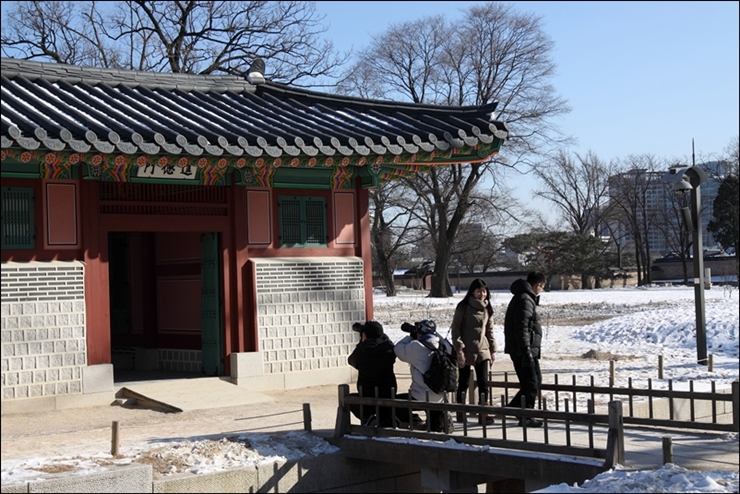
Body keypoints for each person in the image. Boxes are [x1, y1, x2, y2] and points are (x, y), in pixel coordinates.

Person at [394, 320, 455, 433]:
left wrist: (410, 336)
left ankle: (414, 421)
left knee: (395, 402)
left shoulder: (416, 346)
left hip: (420, 395)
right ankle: (441, 418)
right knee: (434, 427)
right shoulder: (444, 345)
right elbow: (443, 341)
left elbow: (398, 349)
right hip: (440, 395)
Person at [451, 278, 497, 425]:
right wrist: (459, 348)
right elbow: (455, 328)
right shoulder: (463, 307)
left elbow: (489, 331)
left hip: (482, 349)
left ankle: (484, 413)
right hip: (466, 349)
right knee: (463, 382)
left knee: (484, 382)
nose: (482, 294)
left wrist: (493, 350)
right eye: (479, 291)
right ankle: (460, 412)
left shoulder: (487, 308)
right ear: (472, 292)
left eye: (484, 291)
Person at [504, 271, 546, 427]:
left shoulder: (525, 298)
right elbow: (521, 328)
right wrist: (526, 350)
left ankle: (514, 408)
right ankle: (525, 416)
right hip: (522, 350)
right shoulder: (525, 300)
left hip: (526, 349)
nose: (541, 290)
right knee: (531, 383)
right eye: (542, 287)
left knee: (535, 380)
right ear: (538, 285)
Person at [347, 320, 401, 426]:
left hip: (367, 394)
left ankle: (368, 418)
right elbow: (388, 344)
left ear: (365, 335)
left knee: (349, 400)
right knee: (386, 408)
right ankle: (385, 420)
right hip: (388, 393)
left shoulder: (362, 350)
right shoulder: (389, 348)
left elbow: (352, 361)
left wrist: (362, 343)